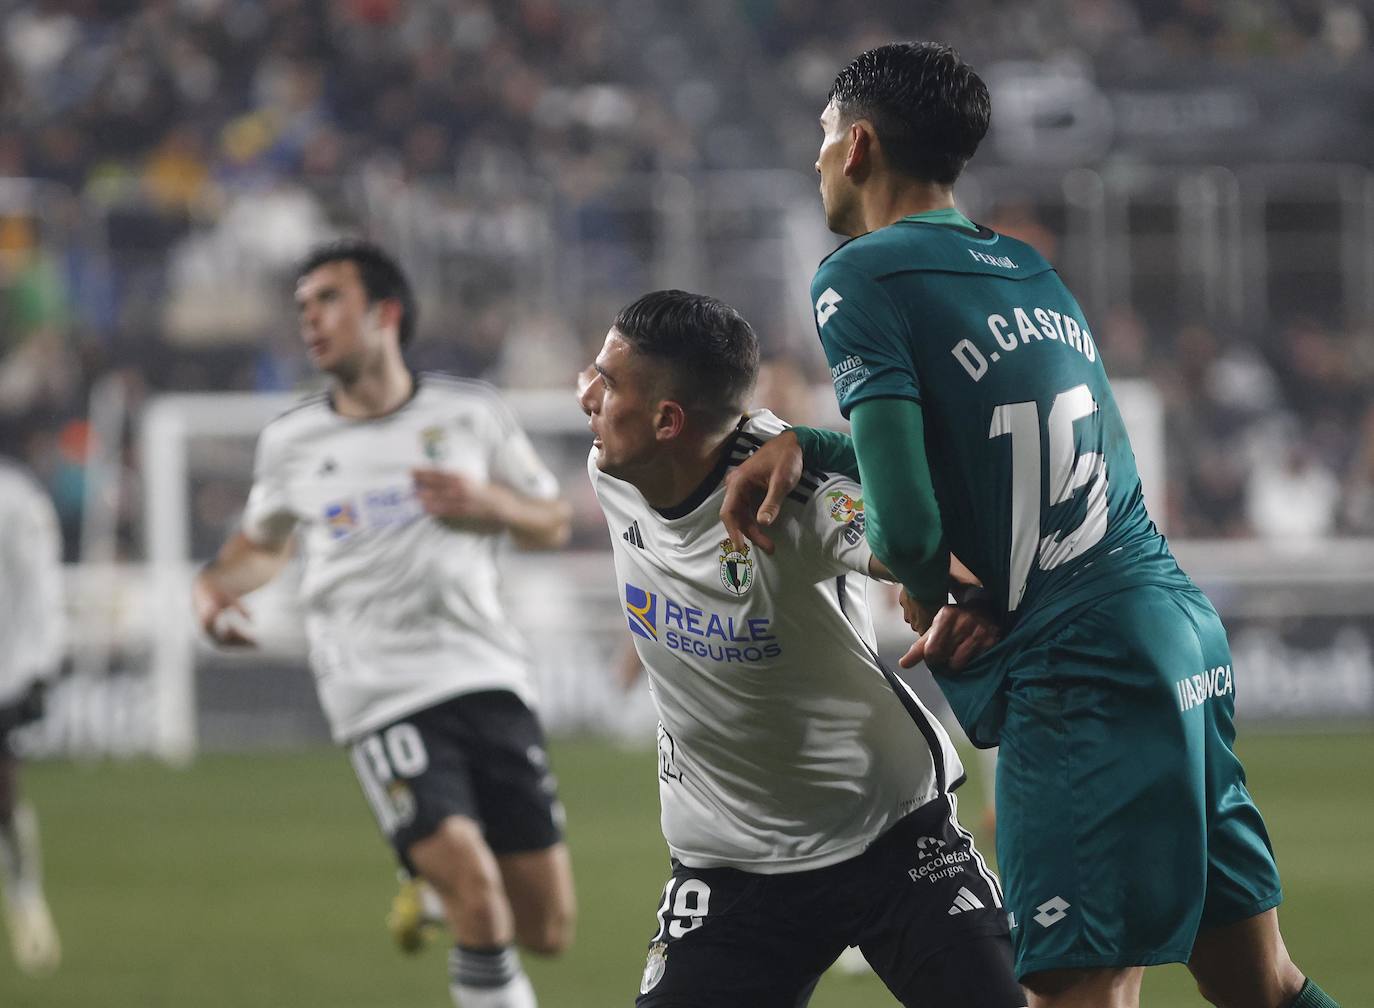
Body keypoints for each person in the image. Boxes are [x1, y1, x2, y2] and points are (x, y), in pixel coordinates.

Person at [721, 42, 1339, 1008]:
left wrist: (939, 596)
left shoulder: (858, 278)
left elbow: (913, 529)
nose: (816, 158)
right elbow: (1002, 453)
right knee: (1259, 981)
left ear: (859, 147)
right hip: (1175, 635)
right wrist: (814, 441)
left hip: (1081, 673)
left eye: (824, 135)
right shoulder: (1025, 269)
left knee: (1077, 997)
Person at [578, 289, 1021, 1008]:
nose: (589, 397)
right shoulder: (616, 464)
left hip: (890, 840)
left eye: (608, 382)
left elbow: (943, 553)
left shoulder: (791, 491)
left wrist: (933, 576)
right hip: (729, 867)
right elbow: (595, 387)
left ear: (667, 420)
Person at [192, 239, 575, 1008]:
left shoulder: (470, 413)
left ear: (385, 313)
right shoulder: (292, 441)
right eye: (302, 307)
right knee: (476, 890)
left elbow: (553, 520)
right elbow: (259, 547)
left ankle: (421, 875)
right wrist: (213, 588)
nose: (310, 320)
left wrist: (489, 506)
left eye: (327, 300)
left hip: (485, 672)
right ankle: (438, 871)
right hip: (377, 687)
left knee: (548, 926)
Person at [0, 456, 65, 976]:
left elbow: (40, 586)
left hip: (2, 674)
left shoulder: (15, 497)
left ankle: (25, 895)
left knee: (3, 794)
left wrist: (38, 668)